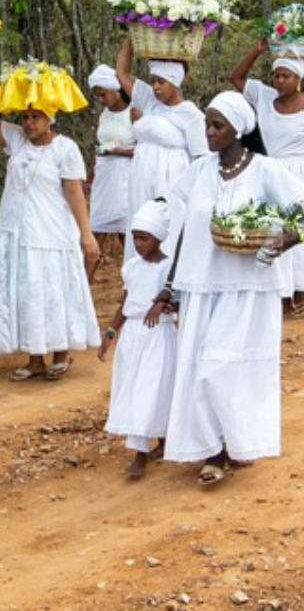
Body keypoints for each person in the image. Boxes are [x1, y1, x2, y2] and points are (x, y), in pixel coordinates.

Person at [156, 93, 304, 486]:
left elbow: (301, 213)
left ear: (237, 130)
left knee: (227, 368)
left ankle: (233, 445)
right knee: (200, 368)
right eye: (206, 124)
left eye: (216, 125)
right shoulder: (199, 171)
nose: (208, 132)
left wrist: (281, 241)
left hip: (249, 288)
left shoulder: (267, 170)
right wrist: (169, 286)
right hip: (203, 287)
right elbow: (185, 229)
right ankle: (213, 447)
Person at [0, 92, 100, 381]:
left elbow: (74, 192)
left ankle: (60, 353)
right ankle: (35, 358)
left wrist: (86, 234)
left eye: (35, 116)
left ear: (51, 118)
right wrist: (4, 88)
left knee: (52, 288)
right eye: (24, 117)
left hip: (53, 230)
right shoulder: (16, 140)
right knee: (28, 289)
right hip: (19, 229)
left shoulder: (65, 149)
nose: (28, 123)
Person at [97, 199, 176, 480]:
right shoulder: (132, 267)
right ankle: (149, 445)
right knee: (133, 388)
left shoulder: (169, 270)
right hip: (132, 335)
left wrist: (164, 304)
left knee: (154, 389)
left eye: (144, 238)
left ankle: (144, 451)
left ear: (158, 238)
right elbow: (126, 302)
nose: (139, 244)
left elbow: (179, 302)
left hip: (159, 335)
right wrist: (110, 333)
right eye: (135, 238)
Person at [116, 39, 208, 260]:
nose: (155, 87)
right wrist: (130, 39)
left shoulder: (190, 114)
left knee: (167, 227)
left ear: (175, 82)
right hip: (141, 176)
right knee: (140, 223)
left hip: (171, 181)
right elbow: (121, 73)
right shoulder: (149, 100)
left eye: (161, 82)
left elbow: (202, 158)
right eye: (153, 81)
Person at [231, 43, 304, 313]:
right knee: (272, 230)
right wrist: (257, 50)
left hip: (299, 172)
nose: (281, 80)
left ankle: (300, 292)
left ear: (299, 79)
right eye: (277, 75)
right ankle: (281, 292)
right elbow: (236, 78)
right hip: (271, 171)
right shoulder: (263, 96)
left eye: (287, 76)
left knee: (297, 232)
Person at [86, 64, 135, 279]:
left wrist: (118, 150)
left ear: (116, 89)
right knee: (96, 231)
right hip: (104, 177)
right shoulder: (104, 115)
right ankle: (81, 288)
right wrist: (91, 176)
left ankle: (133, 283)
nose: (101, 100)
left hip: (125, 178)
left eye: (103, 94)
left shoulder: (133, 112)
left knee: (128, 234)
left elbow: (145, 149)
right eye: (97, 96)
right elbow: (99, 146)